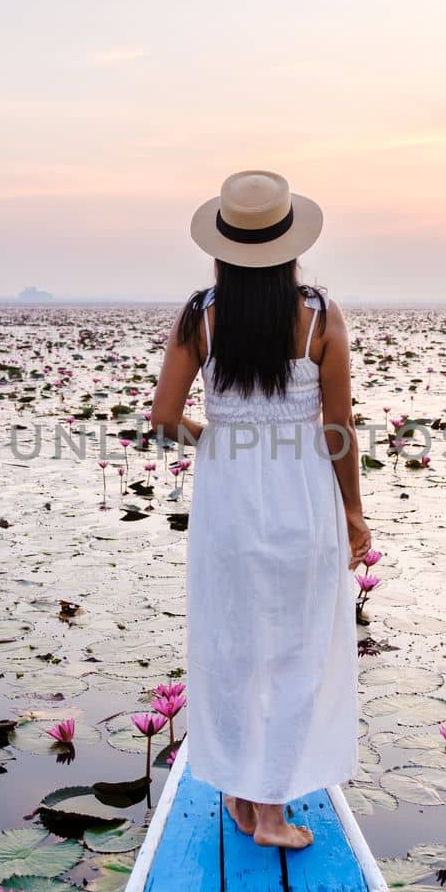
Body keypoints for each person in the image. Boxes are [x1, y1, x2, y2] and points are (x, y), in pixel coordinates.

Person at [150, 170, 371, 850]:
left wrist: (220, 439)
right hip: (301, 497)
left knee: (232, 647)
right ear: (289, 243)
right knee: (297, 653)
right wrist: (355, 514)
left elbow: (163, 420)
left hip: (228, 502)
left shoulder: (199, 315)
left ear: (222, 245)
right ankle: (270, 812)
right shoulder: (319, 315)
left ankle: (242, 798)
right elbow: (338, 429)